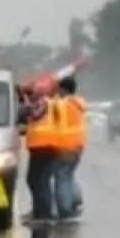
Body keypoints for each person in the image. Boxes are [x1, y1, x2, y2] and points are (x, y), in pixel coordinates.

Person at [21, 78, 60, 222]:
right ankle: (39, 211)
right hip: (39, 146)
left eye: (31, 91)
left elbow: (33, 115)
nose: (30, 94)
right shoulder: (42, 102)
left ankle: (43, 213)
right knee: (35, 180)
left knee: (38, 180)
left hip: (44, 145)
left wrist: (25, 101)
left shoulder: (43, 102)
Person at [53, 76, 86, 220]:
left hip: (65, 146)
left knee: (61, 178)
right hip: (78, 145)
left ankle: (64, 210)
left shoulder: (62, 105)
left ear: (64, 89)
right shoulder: (77, 104)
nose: (57, 92)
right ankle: (76, 200)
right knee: (69, 175)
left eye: (59, 89)